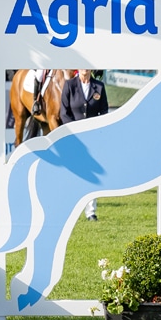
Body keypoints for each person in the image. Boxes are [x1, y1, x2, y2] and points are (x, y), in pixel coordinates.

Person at [59, 68, 109, 221]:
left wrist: (96, 130)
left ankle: (91, 212)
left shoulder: (99, 86)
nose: (84, 69)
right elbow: (64, 112)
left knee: (92, 175)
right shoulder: (69, 85)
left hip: (92, 137)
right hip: (74, 137)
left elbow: (104, 111)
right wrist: (74, 130)